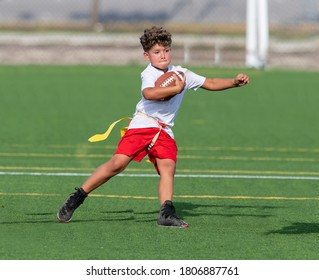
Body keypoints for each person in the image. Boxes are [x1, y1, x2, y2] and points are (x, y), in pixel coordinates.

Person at [57, 26, 249, 228]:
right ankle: (77, 197)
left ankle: (166, 212)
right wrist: (176, 88)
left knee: (168, 167)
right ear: (146, 55)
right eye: (157, 52)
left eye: (166, 50)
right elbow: (149, 94)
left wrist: (234, 82)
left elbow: (209, 82)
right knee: (117, 164)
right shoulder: (148, 73)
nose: (163, 55)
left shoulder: (181, 73)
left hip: (163, 130)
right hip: (143, 124)